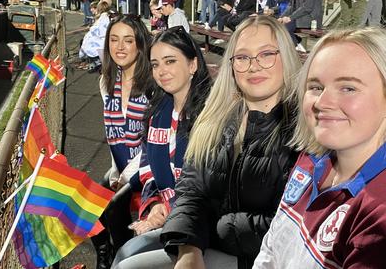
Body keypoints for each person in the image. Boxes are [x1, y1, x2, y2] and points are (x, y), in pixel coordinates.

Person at [253, 27, 386, 268]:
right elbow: (273, 246)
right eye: (315, 87)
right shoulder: (314, 156)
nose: (322, 103)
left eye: (348, 88)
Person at [115, 15, 301, 269]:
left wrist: (211, 228)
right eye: (243, 57)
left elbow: (291, 225)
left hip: (259, 256)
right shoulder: (214, 120)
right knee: (126, 254)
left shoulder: (304, 130)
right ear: (232, 65)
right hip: (198, 234)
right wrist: (188, 248)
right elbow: (192, 191)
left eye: (266, 54)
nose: (254, 66)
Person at [111, 27, 212, 268]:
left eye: (170, 61)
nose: (161, 71)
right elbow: (148, 169)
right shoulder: (157, 113)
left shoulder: (211, 115)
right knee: (125, 251)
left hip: (199, 228)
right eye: (155, 64)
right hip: (167, 215)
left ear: (192, 65)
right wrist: (155, 204)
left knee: (127, 261)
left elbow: (208, 187)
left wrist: (170, 211)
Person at [94, 14, 153, 269]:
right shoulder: (106, 81)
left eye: (128, 41)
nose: (120, 47)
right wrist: (116, 172)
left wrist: (126, 176)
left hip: (148, 168)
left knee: (116, 209)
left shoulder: (153, 83)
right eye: (114, 40)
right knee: (89, 208)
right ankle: (106, 253)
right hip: (121, 169)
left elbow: (154, 142)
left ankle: (119, 256)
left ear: (140, 44)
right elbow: (112, 134)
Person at [79, 0, 112, 72]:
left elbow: (97, 30)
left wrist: (91, 29)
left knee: (86, 42)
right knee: (87, 40)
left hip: (102, 39)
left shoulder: (102, 18)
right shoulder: (109, 15)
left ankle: (96, 62)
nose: (91, 10)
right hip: (107, 37)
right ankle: (96, 62)